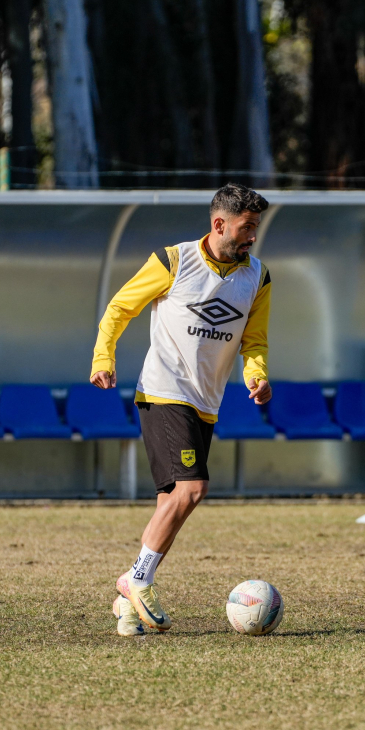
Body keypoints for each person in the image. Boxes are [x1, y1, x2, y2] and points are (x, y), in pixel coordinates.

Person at [90, 183, 273, 635]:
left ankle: (128, 606)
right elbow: (119, 307)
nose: (252, 236)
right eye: (246, 227)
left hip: (206, 404)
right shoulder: (174, 260)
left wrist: (257, 375)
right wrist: (103, 356)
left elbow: (254, 339)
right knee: (193, 489)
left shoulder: (259, 277)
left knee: (171, 504)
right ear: (219, 224)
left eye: (256, 228)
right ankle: (135, 580)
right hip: (164, 392)